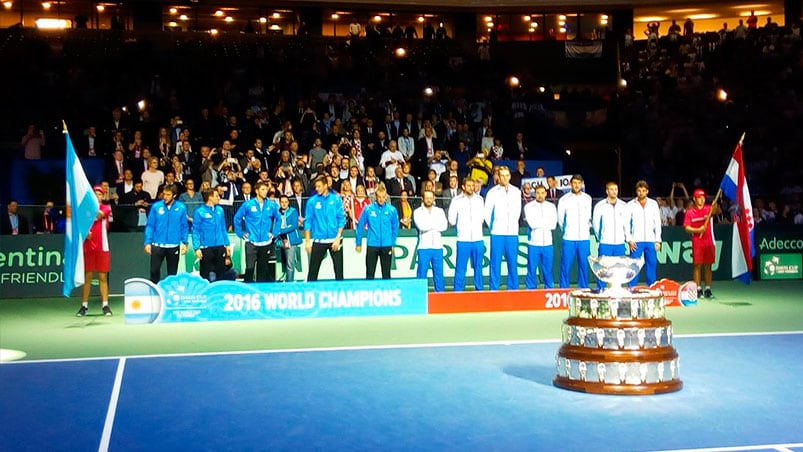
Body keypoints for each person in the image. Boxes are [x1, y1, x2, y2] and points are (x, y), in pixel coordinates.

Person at [233, 181, 280, 283]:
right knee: (249, 269)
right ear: (257, 191)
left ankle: (260, 293)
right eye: (263, 189)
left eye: (266, 189)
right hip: (251, 242)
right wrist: (240, 233)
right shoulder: (248, 204)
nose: (265, 191)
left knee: (262, 270)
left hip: (266, 242)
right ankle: (248, 292)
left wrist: (274, 233)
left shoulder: (272, 205)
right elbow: (237, 218)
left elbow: (279, 219)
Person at [484, 166, 522, 290]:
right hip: (497, 233)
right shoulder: (492, 192)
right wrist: (494, 227)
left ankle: (513, 289)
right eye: (502, 175)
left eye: (507, 175)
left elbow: (517, 212)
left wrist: (512, 225)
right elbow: (487, 214)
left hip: (512, 233)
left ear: (510, 176)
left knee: (512, 263)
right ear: (498, 177)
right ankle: (494, 289)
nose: (505, 178)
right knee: (495, 263)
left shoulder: (516, 191)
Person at [77, 186, 113, 317]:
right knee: (87, 277)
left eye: (99, 194)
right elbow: (80, 224)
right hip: (88, 246)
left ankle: (105, 305)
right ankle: (84, 306)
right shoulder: (85, 210)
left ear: (102, 196)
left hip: (102, 247)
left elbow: (98, 215)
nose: (97, 195)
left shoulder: (106, 208)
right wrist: (85, 232)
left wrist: (88, 208)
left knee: (102, 277)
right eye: (95, 194)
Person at [143, 185, 189, 284]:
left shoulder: (181, 207)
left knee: (172, 274)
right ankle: (155, 294)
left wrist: (185, 242)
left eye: (168, 195)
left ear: (174, 195)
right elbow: (150, 225)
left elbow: (184, 226)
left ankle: (170, 294)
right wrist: (147, 242)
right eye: (164, 194)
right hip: (157, 244)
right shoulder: (156, 207)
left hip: (173, 245)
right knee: (154, 271)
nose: (165, 197)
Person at [304, 176, 346, 281]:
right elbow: (308, 221)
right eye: (315, 187)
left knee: (339, 272)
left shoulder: (336, 199)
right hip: (319, 240)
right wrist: (308, 241)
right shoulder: (312, 201)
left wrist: (338, 238)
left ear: (326, 186)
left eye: (319, 186)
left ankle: (339, 293)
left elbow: (341, 219)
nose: (317, 189)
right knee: (313, 272)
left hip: (335, 240)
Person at [448, 177, 485, 291]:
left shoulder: (479, 199)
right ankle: (458, 291)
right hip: (463, 239)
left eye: (472, 185)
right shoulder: (456, 200)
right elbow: (451, 219)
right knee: (461, 267)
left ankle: (479, 289)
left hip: (478, 238)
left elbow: (482, 217)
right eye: (468, 185)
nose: (471, 188)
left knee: (478, 267)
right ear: (463, 187)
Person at [355, 185, 399, 280]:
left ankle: (387, 293)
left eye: (383, 197)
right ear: (375, 196)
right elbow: (360, 226)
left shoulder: (392, 210)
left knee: (386, 273)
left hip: (386, 245)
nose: (381, 199)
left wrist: (393, 242)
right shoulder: (368, 209)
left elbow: (395, 227)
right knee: (370, 273)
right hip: (372, 244)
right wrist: (358, 243)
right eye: (379, 197)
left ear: (386, 196)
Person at [592, 182, 631, 288]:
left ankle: (618, 291)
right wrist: (601, 237)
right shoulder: (600, 206)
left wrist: (627, 238)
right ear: (607, 191)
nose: (614, 191)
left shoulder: (624, 206)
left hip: (619, 243)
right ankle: (601, 290)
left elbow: (627, 224)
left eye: (616, 189)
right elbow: (595, 224)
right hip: (605, 243)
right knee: (603, 269)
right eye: (612, 189)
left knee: (620, 269)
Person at [557, 175, 592, 288]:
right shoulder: (564, 199)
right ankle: (564, 290)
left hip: (584, 239)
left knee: (584, 266)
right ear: (570, 184)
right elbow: (561, 220)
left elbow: (589, 217)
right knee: (565, 266)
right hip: (569, 238)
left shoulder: (588, 198)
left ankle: (583, 290)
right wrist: (567, 230)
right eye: (574, 183)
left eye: (579, 183)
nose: (577, 185)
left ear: (582, 184)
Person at [684, 189, 719, 298]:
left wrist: (715, 205)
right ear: (694, 199)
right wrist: (698, 230)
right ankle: (698, 289)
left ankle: (708, 289)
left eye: (703, 197)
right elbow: (687, 228)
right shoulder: (690, 212)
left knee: (708, 266)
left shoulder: (709, 209)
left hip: (709, 241)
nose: (702, 199)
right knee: (697, 266)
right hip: (697, 241)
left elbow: (716, 212)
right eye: (699, 197)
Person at [192, 188, 232, 282]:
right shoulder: (199, 212)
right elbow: (195, 231)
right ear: (210, 197)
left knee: (221, 273)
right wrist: (197, 247)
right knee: (205, 273)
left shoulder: (220, 210)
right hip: (206, 247)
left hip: (220, 245)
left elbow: (223, 228)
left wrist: (227, 244)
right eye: (217, 196)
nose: (219, 198)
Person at [627, 180, 662, 287]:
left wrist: (658, 240)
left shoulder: (653, 204)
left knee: (651, 264)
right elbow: (626, 223)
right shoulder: (630, 205)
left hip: (651, 240)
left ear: (647, 191)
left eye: (643, 190)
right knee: (634, 265)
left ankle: (651, 287)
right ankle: (631, 288)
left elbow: (657, 222)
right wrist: (629, 239)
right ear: (636, 192)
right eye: (639, 191)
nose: (641, 193)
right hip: (636, 240)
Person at [523, 185, 558, 289]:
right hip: (533, 243)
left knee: (548, 269)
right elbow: (532, 224)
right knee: (531, 269)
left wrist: (540, 222)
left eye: (542, 193)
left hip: (548, 243)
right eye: (538, 193)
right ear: (535, 194)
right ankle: (530, 290)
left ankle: (549, 289)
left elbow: (553, 225)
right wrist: (544, 222)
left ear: (546, 194)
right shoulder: (528, 207)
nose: (540, 195)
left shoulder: (551, 206)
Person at [413, 190, 448, 292]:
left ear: (434, 199)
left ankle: (440, 295)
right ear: (422, 199)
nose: (429, 200)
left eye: (430, 198)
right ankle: (420, 294)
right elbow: (421, 226)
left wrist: (430, 224)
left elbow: (444, 226)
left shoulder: (439, 211)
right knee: (422, 273)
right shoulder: (417, 211)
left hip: (437, 247)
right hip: (424, 247)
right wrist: (435, 224)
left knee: (439, 274)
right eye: (426, 198)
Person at [275, 194, 303, 282]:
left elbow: (294, 225)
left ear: (288, 202)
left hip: (291, 240)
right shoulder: (277, 213)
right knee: (283, 262)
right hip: (280, 240)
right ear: (279, 203)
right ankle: (285, 279)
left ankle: (290, 282)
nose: (284, 204)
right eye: (282, 202)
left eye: (286, 202)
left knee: (290, 263)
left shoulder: (293, 211)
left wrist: (280, 231)